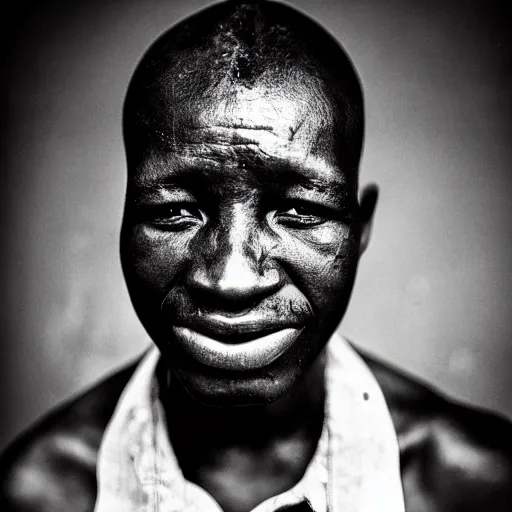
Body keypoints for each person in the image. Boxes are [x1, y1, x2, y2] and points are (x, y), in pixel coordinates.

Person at [1, 1, 511, 511]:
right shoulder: (42, 492)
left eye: (299, 211)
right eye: (176, 211)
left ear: (361, 229)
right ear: (125, 218)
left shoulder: (474, 484)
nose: (231, 280)